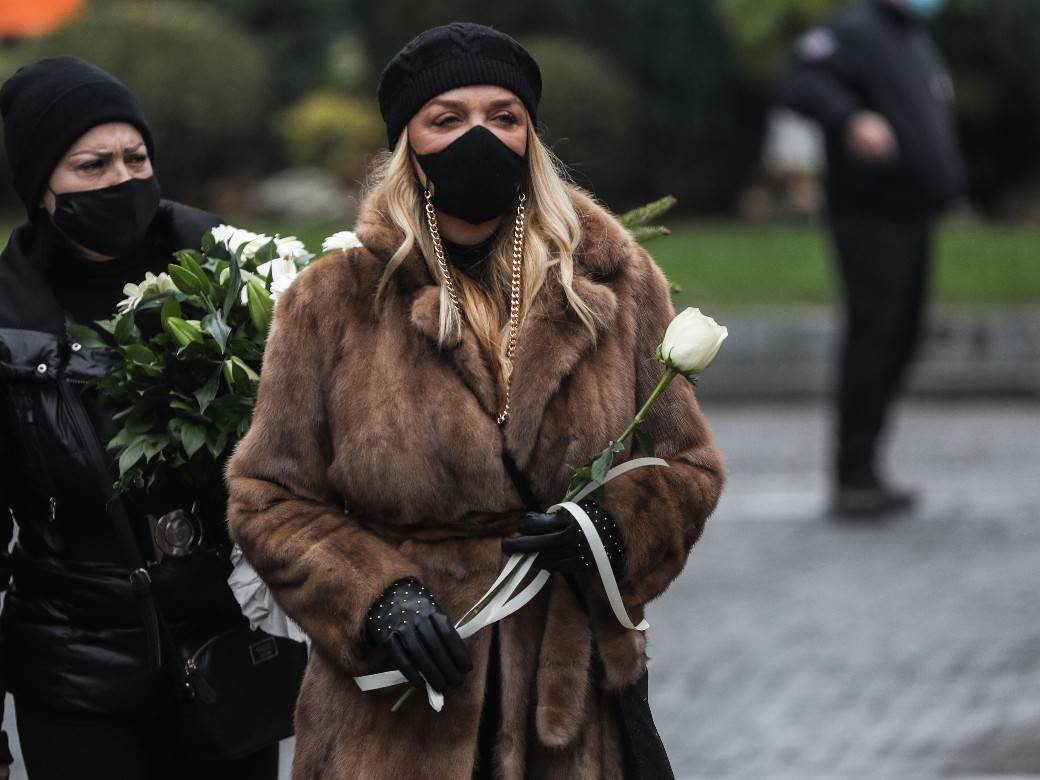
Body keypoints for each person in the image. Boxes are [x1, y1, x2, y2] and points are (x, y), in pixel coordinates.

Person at [227, 22, 725, 779]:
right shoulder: (334, 299)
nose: (480, 137)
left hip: (569, 709)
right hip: (397, 720)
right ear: (410, 149)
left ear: (530, 135)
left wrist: (608, 531)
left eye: (504, 116)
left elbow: (688, 466)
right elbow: (268, 496)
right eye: (447, 119)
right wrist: (375, 599)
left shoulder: (615, 283)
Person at [0, 57, 280, 779]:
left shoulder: (231, 276)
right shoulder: (9, 324)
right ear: (41, 189)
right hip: (75, 673)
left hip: (227, 658)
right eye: (91, 166)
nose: (121, 179)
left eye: (136, 157)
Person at [778, 0, 966, 517]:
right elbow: (800, 82)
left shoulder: (912, 39)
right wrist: (850, 118)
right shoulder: (853, 30)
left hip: (913, 215)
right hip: (871, 215)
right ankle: (852, 477)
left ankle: (868, 469)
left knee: (902, 335)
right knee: (874, 334)